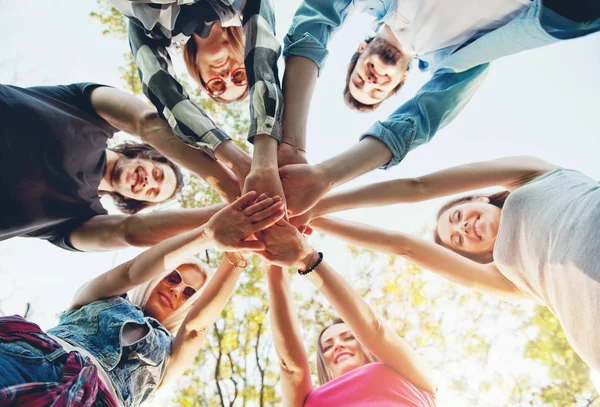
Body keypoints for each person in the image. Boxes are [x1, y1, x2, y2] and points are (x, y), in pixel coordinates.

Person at [278, 0, 600, 216]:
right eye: (377, 90)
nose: (371, 82)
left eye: (359, 79)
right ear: (402, 80)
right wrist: (325, 176)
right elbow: (415, 123)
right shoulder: (457, 60)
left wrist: (291, 141)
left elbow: (316, 19)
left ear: (361, 49)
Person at [290, 156, 600, 371]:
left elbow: (418, 186)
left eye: (457, 217)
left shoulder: (533, 175)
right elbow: (403, 246)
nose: (461, 229)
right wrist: (315, 220)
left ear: (477, 199)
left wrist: (316, 205)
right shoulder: (505, 277)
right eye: (458, 241)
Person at [0, 191, 285, 406]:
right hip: (29, 358)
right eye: (173, 277)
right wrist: (207, 235)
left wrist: (237, 257)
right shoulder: (100, 297)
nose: (176, 290)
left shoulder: (170, 355)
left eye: (189, 293)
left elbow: (197, 328)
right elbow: (131, 271)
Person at [0, 82, 245, 252]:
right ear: (148, 154)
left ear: (134, 201)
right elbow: (146, 122)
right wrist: (233, 184)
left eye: (152, 193)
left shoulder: (79, 218)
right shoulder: (89, 112)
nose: (149, 182)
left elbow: (129, 233)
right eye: (157, 174)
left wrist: (234, 213)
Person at [109, 0, 288, 202]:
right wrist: (260, 162)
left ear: (200, 76)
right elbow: (263, 60)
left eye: (217, 85)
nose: (227, 76)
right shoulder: (240, 4)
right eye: (240, 76)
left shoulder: (156, 29)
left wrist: (237, 166)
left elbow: (162, 90)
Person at [255, 222, 437, 406]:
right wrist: (271, 262)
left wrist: (308, 258)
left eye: (348, 337)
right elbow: (292, 368)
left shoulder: (410, 376)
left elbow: (375, 332)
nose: (338, 346)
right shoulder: (309, 401)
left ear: (365, 345)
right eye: (327, 346)